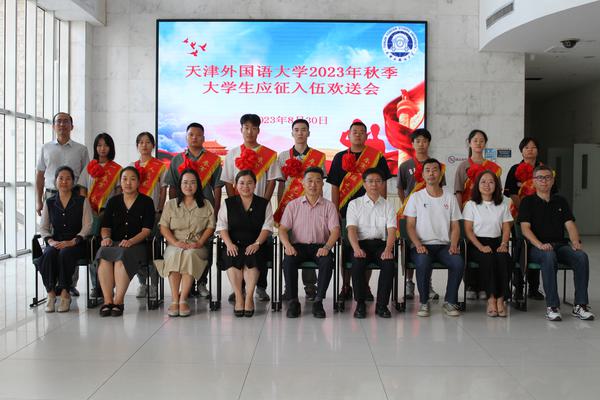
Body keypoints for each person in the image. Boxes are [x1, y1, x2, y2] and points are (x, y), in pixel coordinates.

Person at [519, 165, 594, 321]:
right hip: (536, 248)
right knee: (548, 256)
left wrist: (575, 241)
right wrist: (540, 245)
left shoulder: (561, 201)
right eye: (540, 178)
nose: (544, 181)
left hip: (559, 245)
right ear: (534, 181)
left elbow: (570, 225)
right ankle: (552, 306)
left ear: (552, 181)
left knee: (581, 257)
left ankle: (580, 305)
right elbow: (525, 229)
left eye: (547, 177)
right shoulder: (527, 202)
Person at [327, 120, 392, 301]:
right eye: (354, 131)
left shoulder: (376, 156)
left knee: (367, 248)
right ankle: (346, 285)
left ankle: (364, 286)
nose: (358, 134)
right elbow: (334, 185)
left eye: (362, 132)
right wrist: (334, 209)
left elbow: (383, 183)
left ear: (366, 135)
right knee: (347, 249)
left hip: (371, 210)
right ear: (348, 135)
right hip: (345, 211)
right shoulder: (340, 157)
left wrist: (382, 204)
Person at [220, 114, 282, 302]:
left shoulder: (269, 154)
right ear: (241, 130)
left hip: (259, 208)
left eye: (253, 128)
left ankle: (260, 287)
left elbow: (272, 181)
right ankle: (239, 288)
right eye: (246, 127)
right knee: (237, 248)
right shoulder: (232, 153)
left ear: (258, 130)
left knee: (261, 247)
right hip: (238, 209)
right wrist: (235, 203)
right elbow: (228, 181)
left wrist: (262, 203)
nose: (249, 131)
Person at [166, 122, 222, 299]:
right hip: (182, 211)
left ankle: (202, 282)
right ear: (186, 137)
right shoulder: (177, 159)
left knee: (204, 246)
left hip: (205, 211)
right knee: (182, 248)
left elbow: (217, 187)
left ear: (204, 138)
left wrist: (217, 209)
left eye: (198, 135)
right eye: (191, 135)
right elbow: (172, 186)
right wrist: (173, 208)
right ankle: (186, 286)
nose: (194, 138)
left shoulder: (213, 160)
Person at [36, 112, 89, 296]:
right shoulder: (46, 148)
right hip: (51, 196)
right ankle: (53, 283)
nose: (62, 124)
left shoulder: (81, 149)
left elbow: (85, 177)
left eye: (66, 121)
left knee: (72, 238)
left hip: (75, 196)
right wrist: (39, 200)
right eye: (58, 121)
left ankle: (69, 284)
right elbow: (40, 175)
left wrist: (83, 202)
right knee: (54, 239)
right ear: (53, 126)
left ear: (72, 126)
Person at [404, 158, 464, 317]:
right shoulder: (416, 197)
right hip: (422, 245)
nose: (431, 173)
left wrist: (454, 244)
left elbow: (456, 226)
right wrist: (417, 244)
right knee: (423, 262)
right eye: (428, 170)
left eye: (435, 170)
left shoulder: (450, 198)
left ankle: (450, 301)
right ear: (423, 175)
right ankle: (424, 302)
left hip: (444, 246)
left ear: (440, 173)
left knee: (458, 262)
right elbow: (410, 226)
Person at [279, 167, 340, 318]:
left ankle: (318, 301)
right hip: (298, 246)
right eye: (310, 181)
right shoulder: (293, 205)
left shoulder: (329, 206)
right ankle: (293, 301)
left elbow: (335, 231)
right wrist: (287, 246)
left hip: (320, 247)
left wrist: (327, 247)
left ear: (322, 184)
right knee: (288, 261)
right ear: (303, 183)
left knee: (327, 261)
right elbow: (282, 229)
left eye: (318, 181)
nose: (313, 185)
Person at [276, 119, 326, 301]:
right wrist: (280, 207)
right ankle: (288, 288)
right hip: (290, 207)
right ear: (292, 133)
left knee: (309, 243)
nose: (300, 133)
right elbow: (281, 184)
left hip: (311, 206)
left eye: (303, 130)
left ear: (308, 133)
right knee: (289, 248)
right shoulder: (283, 156)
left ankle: (310, 286)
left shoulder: (318, 156)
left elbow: (320, 185)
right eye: (296, 130)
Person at [95, 167, 155, 317]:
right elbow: (105, 227)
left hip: (138, 245)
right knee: (103, 253)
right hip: (114, 243)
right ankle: (107, 301)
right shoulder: (113, 202)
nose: (128, 183)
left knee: (121, 256)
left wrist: (131, 241)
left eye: (132, 179)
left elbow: (146, 231)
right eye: (124, 179)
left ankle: (118, 301)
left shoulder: (147, 202)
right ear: (120, 182)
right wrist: (106, 238)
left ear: (139, 182)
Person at [216, 170, 274, 317]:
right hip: (234, 243)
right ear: (236, 185)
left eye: (249, 183)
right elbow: (222, 226)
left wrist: (257, 243)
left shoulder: (264, 203)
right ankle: (238, 297)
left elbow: (267, 227)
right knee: (232, 256)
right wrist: (229, 244)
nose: (245, 186)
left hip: (256, 244)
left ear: (255, 185)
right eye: (241, 183)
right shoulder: (228, 203)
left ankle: (249, 297)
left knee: (253, 257)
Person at [158, 169, 215, 317]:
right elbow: (163, 227)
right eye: (185, 182)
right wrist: (175, 242)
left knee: (189, 255)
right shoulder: (171, 204)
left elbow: (211, 226)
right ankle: (174, 300)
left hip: (197, 245)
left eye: (192, 183)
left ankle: (183, 299)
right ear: (180, 185)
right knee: (174, 254)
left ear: (198, 185)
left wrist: (200, 242)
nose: (188, 186)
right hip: (175, 243)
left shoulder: (206, 204)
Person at [397, 128, 445, 301]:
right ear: (412, 144)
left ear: (428, 143)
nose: (421, 144)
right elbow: (400, 188)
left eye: (424, 141)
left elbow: (440, 189)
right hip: (411, 214)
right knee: (410, 247)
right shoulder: (405, 166)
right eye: (417, 141)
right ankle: (409, 283)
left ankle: (428, 284)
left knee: (427, 248)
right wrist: (407, 205)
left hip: (431, 215)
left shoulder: (437, 166)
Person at [454, 129, 501, 300]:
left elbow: (498, 191)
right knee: (469, 248)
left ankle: (483, 286)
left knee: (487, 249)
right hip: (468, 213)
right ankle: (470, 285)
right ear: (469, 143)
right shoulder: (463, 166)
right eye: (475, 140)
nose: (478, 143)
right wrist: (460, 214)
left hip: (488, 212)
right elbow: (458, 191)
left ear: (485, 143)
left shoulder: (493, 167)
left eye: (482, 140)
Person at [37, 166, 92, 313]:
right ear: (55, 181)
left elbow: (88, 225)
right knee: (48, 254)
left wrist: (74, 241)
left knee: (65, 253)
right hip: (56, 241)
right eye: (60, 178)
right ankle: (50, 293)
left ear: (73, 182)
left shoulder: (82, 201)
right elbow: (43, 227)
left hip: (77, 243)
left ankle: (65, 293)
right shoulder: (49, 202)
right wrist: (50, 241)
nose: (64, 182)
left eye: (68, 179)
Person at [346, 168, 397, 318]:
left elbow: (392, 231)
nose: (374, 184)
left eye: (378, 181)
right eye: (370, 181)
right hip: (360, 244)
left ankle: (382, 305)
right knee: (357, 263)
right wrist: (356, 248)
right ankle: (360, 303)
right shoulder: (354, 204)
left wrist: (388, 249)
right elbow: (351, 229)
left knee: (389, 264)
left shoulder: (388, 205)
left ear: (382, 184)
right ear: (364, 184)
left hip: (380, 245)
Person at [463, 171, 513, 317]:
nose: (487, 185)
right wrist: (480, 247)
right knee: (488, 258)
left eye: (491, 182)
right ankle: (491, 299)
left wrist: (504, 244)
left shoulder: (502, 205)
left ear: (496, 185)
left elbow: (506, 228)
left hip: (497, 242)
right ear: (477, 185)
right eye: (483, 181)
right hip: (476, 244)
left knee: (504, 258)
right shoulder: (471, 205)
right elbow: (468, 230)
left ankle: (501, 299)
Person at [503, 137, 548, 300]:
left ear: (538, 150)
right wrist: (525, 211)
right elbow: (511, 193)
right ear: (521, 151)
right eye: (526, 147)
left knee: (537, 247)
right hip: (519, 215)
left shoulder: (544, 170)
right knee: (520, 249)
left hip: (540, 217)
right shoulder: (515, 169)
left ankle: (534, 288)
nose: (530, 150)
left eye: (533, 147)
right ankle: (518, 286)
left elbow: (551, 192)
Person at [79, 133, 122, 298]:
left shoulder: (117, 169)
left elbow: (118, 193)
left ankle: (108, 286)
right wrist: (86, 210)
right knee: (92, 248)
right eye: (99, 145)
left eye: (105, 145)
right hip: (90, 214)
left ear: (111, 147)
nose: (102, 149)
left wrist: (110, 211)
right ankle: (95, 286)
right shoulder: (89, 167)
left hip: (108, 214)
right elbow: (83, 190)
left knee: (106, 249)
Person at [131, 132, 168, 299]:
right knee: (137, 248)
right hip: (135, 214)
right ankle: (142, 283)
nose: (144, 145)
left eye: (147, 142)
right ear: (137, 146)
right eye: (141, 142)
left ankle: (154, 284)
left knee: (153, 248)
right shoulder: (132, 166)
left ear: (153, 145)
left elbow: (163, 191)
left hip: (153, 213)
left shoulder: (160, 166)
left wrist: (159, 210)